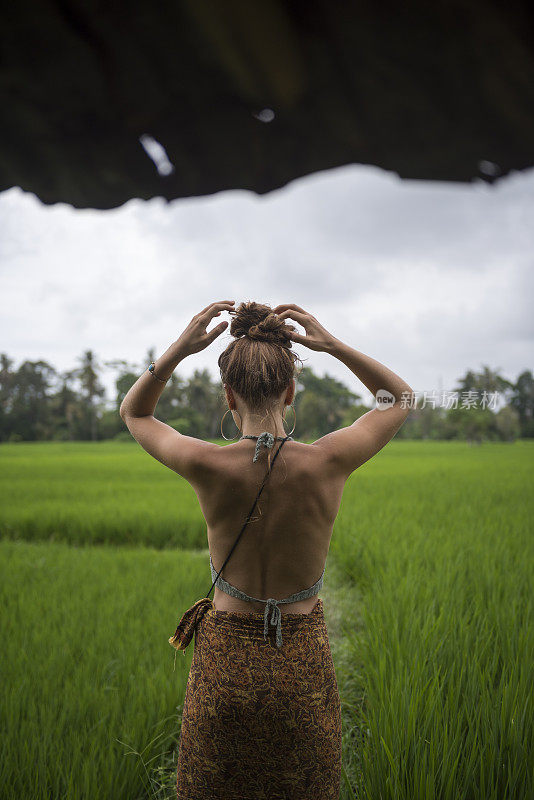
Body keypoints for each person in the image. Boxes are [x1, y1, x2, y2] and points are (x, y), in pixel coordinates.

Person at [119, 299, 414, 800]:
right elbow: (401, 399)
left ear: (228, 397)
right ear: (291, 389)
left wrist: (177, 351)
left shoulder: (205, 464)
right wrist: (333, 345)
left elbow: (135, 412)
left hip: (224, 668)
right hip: (302, 664)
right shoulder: (328, 462)